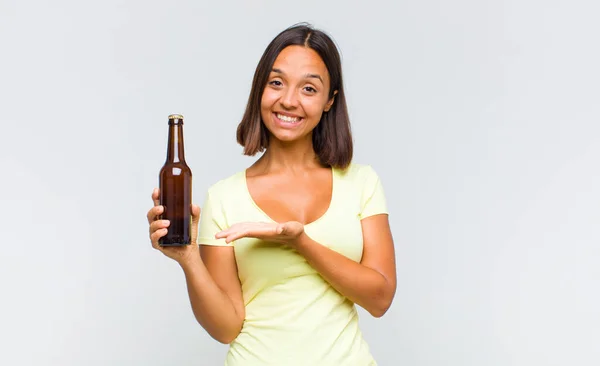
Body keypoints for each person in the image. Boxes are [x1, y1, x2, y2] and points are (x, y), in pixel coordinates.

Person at [146, 23, 396, 366]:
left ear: (329, 101)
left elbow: (380, 299)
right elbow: (226, 328)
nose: (288, 100)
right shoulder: (224, 196)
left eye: (309, 88)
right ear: (259, 89)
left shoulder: (362, 183)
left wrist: (301, 242)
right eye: (276, 83)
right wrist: (189, 259)